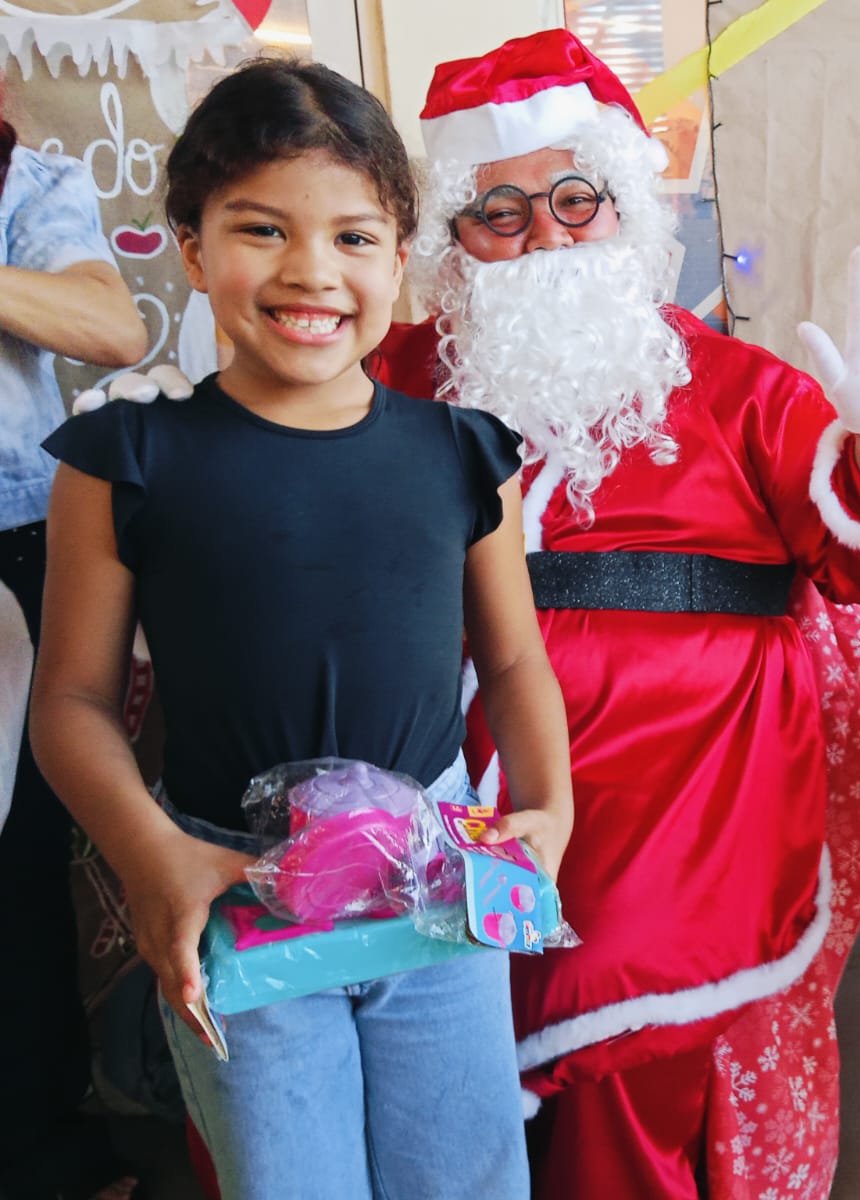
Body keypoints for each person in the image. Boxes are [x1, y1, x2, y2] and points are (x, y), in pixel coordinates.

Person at [370, 29, 860, 1200]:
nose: (546, 236)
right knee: (447, 1057)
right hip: (447, 772)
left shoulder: (738, 386)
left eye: (574, 200)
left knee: (621, 1048)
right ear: (453, 242)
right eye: (499, 213)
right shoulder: (401, 376)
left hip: (688, 784)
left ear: (625, 211)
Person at [28, 58, 573, 1200]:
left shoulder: (465, 453)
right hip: (230, 886)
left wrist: (551, 811)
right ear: (191, 246)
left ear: (399, 255)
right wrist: (154, 855)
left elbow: (515, 658)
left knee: (467, 1177)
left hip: (438, 888)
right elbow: (71, 702)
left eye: (354, 237)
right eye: (261, 229)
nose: (311, 271)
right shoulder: (123, 459)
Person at [0, 88, 147, 1200]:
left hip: (8, 551)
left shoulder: (28, 181)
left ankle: (38, 1146)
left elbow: (114, 328)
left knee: (15, 872)